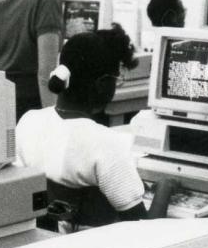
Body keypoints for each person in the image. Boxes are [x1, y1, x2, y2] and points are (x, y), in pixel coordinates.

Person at [16, 25, 174, 227]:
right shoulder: (105, 142)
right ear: (101, 84)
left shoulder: (29, 121)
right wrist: (165, 188)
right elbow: (143, 230)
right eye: (117, 78)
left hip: (47, 243)